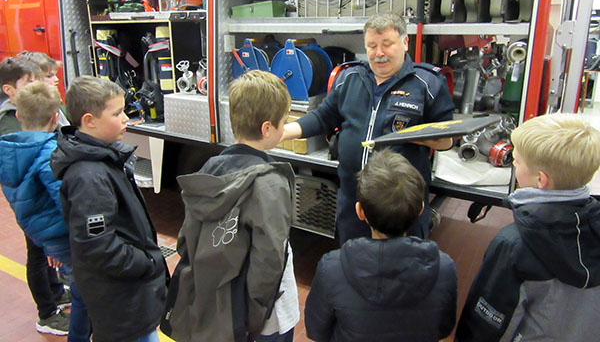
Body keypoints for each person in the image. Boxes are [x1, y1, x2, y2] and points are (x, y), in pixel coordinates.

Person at [281, 12, 454, 244]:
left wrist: (418, 135)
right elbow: (322, 117)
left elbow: (447, 141)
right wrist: (283, 132)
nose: (379, 53)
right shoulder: (349, 78)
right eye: (372, 46)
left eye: (387, 44)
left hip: (401, 204)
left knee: (403, 269)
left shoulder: (427, 84)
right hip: (353, 200)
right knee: (352, 262)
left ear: (405, 43)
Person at [164, 70, 299, 342]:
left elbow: (186, 241)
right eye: (283, 123)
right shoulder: (270, 183)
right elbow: (269, 261)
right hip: (265, 321)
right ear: (267, 128)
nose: (284, 129)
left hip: (217, 309)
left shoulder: (207, 170)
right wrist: (252, 320)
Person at [455, 113, 600, 341]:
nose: (513, 162)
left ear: (541, 180)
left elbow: (486, 325)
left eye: (518, 160)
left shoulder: (514, 245)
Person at [50, 76, 168, 342]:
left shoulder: (104, 158)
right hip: (121, 303)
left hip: (127, 296)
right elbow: (98, 247)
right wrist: (147, 262)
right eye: (117, 113)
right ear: (90, 120)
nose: (126, 118)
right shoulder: (89, 176)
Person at [305, 148, 457, 342]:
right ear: (420, 209)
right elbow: (443, 330)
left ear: (360, 212)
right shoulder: (444, 267)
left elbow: (316, 331)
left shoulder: (332, 267)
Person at [0, 81, 90, 341]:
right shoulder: (50, 156)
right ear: (55, 117)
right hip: (67, 240)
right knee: (86, 295)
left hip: (47, 239)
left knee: (78, 289)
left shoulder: (10, 152)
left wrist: (49, 244)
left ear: (17, 115)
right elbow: (68, 206)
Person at [17, 50, 69, 127]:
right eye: (49, 76)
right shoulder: (30, 111)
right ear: (33, 79)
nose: (56, 79)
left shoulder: (55, 100)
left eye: (55, 75)